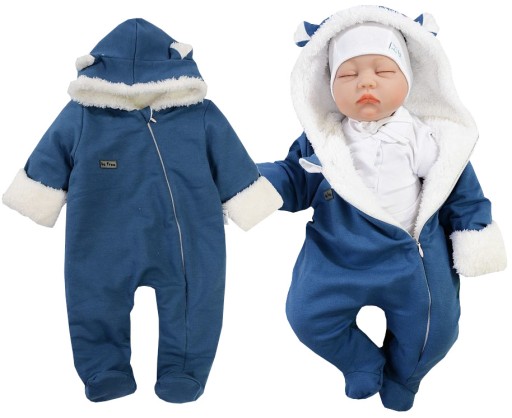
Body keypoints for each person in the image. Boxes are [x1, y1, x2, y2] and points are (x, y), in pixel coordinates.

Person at [258, 6, 506, 411]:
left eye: (383, 70)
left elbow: (457, 183)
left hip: (409, 255)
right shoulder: (324, 139)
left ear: (408, 79)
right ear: (329, 87)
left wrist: (474, 229)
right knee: (306, 316)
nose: (366, 82)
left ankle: (404, 377)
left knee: (436, 331)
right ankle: (359, 362)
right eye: (348, 75)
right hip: (339, 252)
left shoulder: (424, 135)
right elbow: (292, 177)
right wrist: (249, 181)